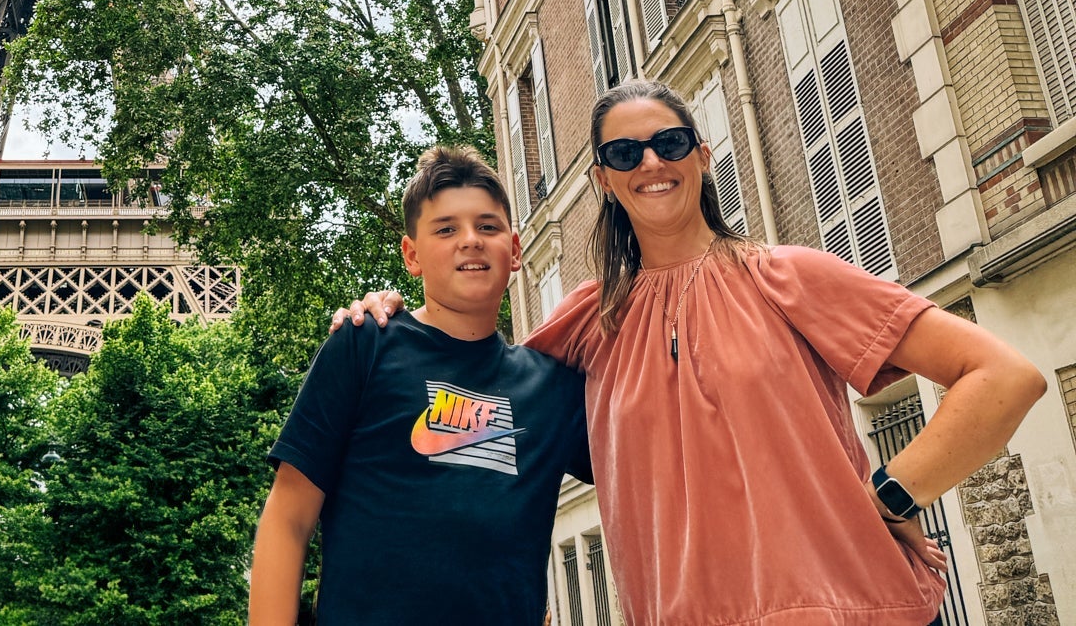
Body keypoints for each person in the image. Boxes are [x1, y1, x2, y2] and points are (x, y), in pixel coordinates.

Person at [334, 80, 1047, 625]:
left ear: (702, 156)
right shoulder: (587, 323)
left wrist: (892, 492)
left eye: (670, 142)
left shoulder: (792, 277)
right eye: (624, 153)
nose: (651, 161)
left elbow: (1003, 377)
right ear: (605, 181)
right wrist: (395, 326)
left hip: (837, 607)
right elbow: (480, 415)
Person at [248, 146, 592, 625]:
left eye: (487, 227)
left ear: (514, 251)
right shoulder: (366, 346)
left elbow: (658, 465)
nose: (470, 240)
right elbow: (288, 519)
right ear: (411, 255)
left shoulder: (554, 388)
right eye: (446, 229)